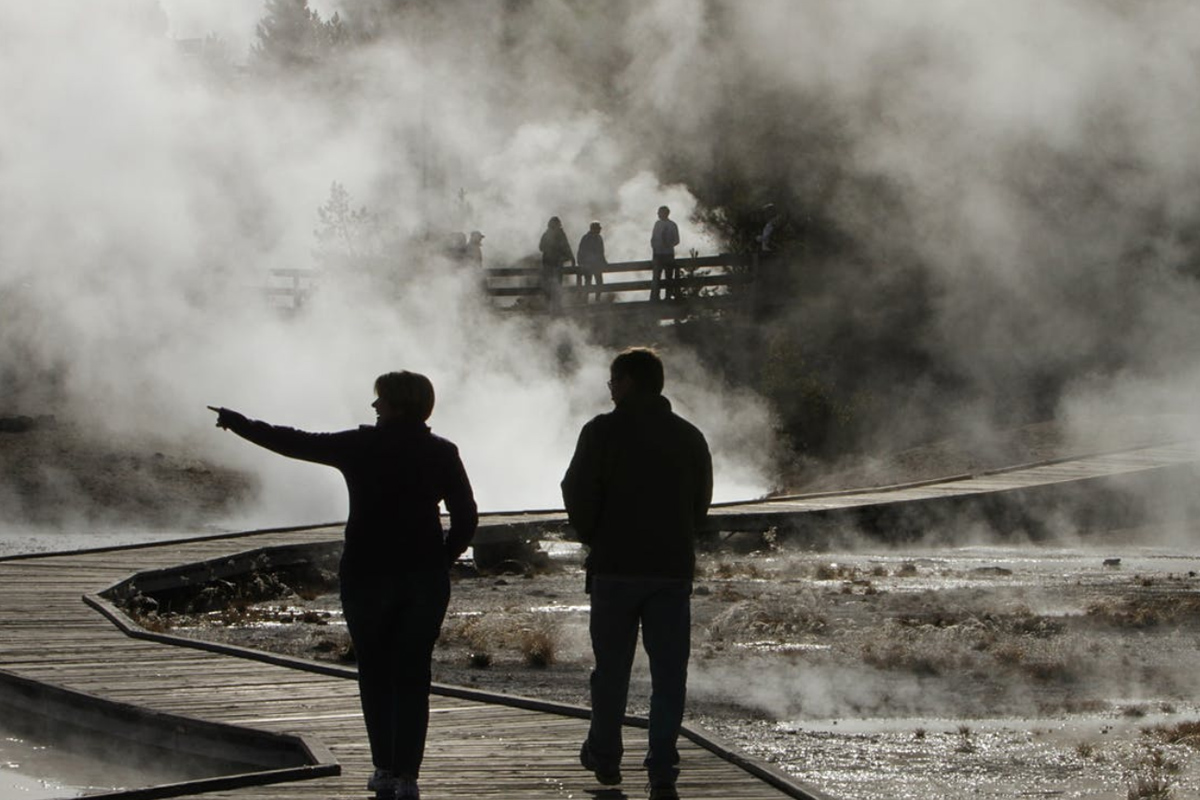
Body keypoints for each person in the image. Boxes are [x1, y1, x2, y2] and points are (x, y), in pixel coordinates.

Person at [208, 372, 477, 800]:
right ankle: (408, 775)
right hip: (423, 578)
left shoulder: (361, 446)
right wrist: (441, 558)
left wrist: (240, 424)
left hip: (367, 572)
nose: (373, 407)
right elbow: (467, 517)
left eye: (380, 401)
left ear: (396, 405)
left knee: (374, 670)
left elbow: (295, 441)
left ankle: (384, 769)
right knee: (412, 674)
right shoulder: (442, 452)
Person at [561, 348, 713, 800]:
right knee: (669, 674)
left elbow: (575, 488)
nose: (609, 389)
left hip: (614, 569)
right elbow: (701, 502)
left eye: (612, 381)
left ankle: (605, 757)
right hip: (670, 569)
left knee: (611, 670)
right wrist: (680, 535)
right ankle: (662, 768)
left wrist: (593, 535)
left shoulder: (601, 431)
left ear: (626, 382)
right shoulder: (688, 435)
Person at [539, 216, 576, 311]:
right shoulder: (548, 234)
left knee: (556, 284)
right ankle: (551, 305)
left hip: (554, 263)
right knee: (551, 284)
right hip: (551, 263)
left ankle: (555, 305)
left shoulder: (555, 234)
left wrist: (571, 257)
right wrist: (570, 257)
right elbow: (541, 247)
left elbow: (566, 246)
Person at [650, 206, 680, 302]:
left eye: (660, 212)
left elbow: (677, 240)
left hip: (668, 254)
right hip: (658, 254)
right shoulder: (657, 224)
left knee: (668, 276)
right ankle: (655, 297)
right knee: (656, 277)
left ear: (666, 213)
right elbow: (653, 238)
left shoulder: (672, 225)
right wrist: (654, 247)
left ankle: (668, 296)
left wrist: (669, 244)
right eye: (658, 212)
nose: (658, 214)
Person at [577, 221, 607, 303]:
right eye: (598, 228)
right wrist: (581, 263)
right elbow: (581, 252)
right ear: (594, 229)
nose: (599, 230)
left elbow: (601, 252)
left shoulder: (599, 238)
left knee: (599, 282)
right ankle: (586, 300)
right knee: (588, 283)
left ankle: (597, 299)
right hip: (588, 265)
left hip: (596, 265)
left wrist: (604, 262)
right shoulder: (586, 238)